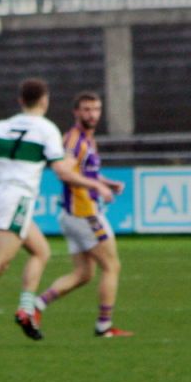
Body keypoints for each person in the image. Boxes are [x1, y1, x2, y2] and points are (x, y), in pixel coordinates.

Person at [0, 78, 114, 347]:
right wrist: (96, 184)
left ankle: (26, 310)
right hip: (17, 199)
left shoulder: (2, 125)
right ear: (45, 100)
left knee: (41, 251)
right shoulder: (46, 129)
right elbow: (62, 170)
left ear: (20, 101)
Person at [33, 91, 132, 338]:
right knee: (112, 266)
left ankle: (36, 306)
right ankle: (104, 326)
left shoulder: (87, 139)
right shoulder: (74, 141)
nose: (92, 114)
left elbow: (85, 173)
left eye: (96, 109)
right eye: (86, 110)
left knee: (83, 274)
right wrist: (96, 188)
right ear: (76, 112)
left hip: (73, 215)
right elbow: (64, 172)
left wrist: (105, 182)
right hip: (84, 213)